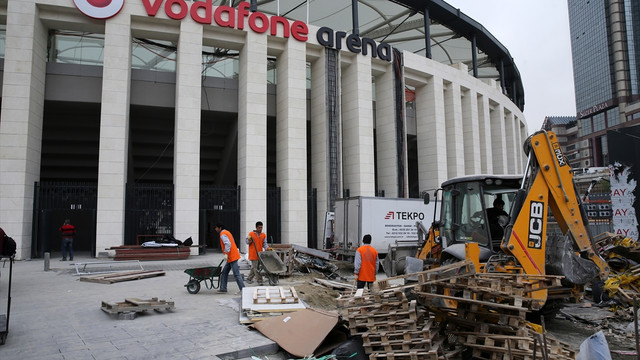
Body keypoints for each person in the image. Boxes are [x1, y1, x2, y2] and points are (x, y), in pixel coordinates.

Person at [215, 222, 244, 293]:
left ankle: (243, 290)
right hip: (231, 256)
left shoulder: (222, 234)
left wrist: (226, 253)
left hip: (232, 256)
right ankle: (223, 288)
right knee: (224, 272)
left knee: (236, 274)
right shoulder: (227, 232)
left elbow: (228, 243)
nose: (215, 229)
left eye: (216, 227)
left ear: (220, 228)